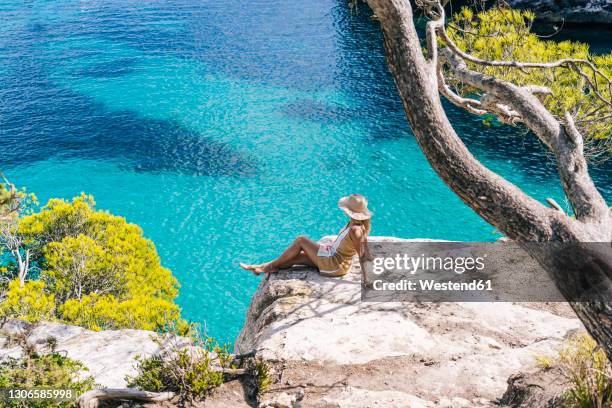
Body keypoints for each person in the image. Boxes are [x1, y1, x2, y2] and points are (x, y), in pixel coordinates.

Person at [240, 194, 372, 277]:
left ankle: (267, 267)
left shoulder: (356, 230)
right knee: (295, 258)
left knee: (301, 240)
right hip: (332, 257)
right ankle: (261, 267)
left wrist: (368, 279)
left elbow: (364, 255)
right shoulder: (353, 223)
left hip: (334, 265)